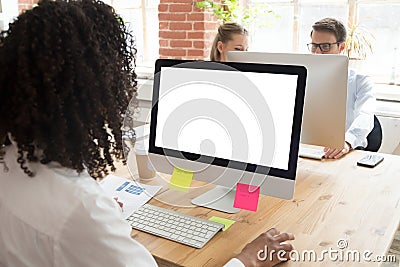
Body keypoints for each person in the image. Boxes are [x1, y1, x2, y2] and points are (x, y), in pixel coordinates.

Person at [0, 1, 295, 266]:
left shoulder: (14, 161)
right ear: (96, 87)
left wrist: (102, 222)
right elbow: (74, 221)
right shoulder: (80, 210)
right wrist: (247, 260)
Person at [308, 18, 375, 159]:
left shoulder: (361, 81)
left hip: (346, 151)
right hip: (309, 151)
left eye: (325, 46)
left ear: (342, 47)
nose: (317, 53)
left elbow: (366, 116)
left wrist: (347, 141)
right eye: (314, 46)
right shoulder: (305, 76)